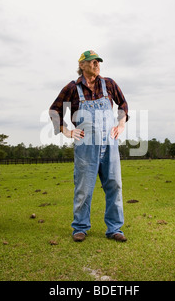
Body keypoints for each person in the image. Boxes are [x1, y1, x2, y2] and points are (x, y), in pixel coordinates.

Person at [49, 50, 129, 242]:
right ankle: (80, 227)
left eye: (98, 62)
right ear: (82, 65)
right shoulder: (72, 87)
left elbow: (123, 105)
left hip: (109, 142)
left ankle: (114, 229)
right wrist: (67, 131)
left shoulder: (109, 83)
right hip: (86, 145)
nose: (96, 65)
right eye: (92, 62)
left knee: (114, 185)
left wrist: (121, 124)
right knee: (84, 188)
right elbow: (54, 111)